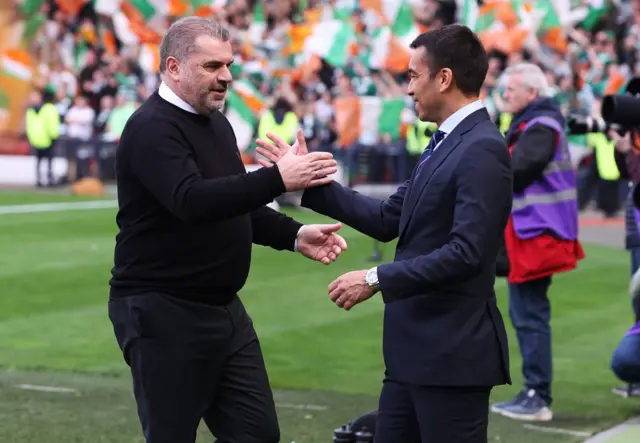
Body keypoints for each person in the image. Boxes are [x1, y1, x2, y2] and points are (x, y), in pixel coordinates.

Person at [257, 24, 512, 443]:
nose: (408, 89)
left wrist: (374, 278)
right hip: (413, 355)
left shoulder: (481, 146)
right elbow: (389, 217)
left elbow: (467, 252)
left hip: (450, 357)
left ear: (444, 78)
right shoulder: (447, 142)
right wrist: (303, 184)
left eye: (413, 76)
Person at [107, 17, 348, 443]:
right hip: (163, 311)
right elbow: (193, 201)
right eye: (212, 66)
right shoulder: (151, 127)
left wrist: (293, 235)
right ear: (174, 67)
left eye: (228, 65)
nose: (226, 77)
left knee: (257, 435)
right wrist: (277, 178)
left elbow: (236, 206)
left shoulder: (216, 122)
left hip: (222, 311)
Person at [490, 63, 584, 421]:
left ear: (532, 92)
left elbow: (516, 171)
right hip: (533, 231)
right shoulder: (536, 123)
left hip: (537, 232)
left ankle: (537, 394)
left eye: (511, 89)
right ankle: (533, 391)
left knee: (529, 314)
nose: (505, 96)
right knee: (526, 312)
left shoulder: (541, 126)